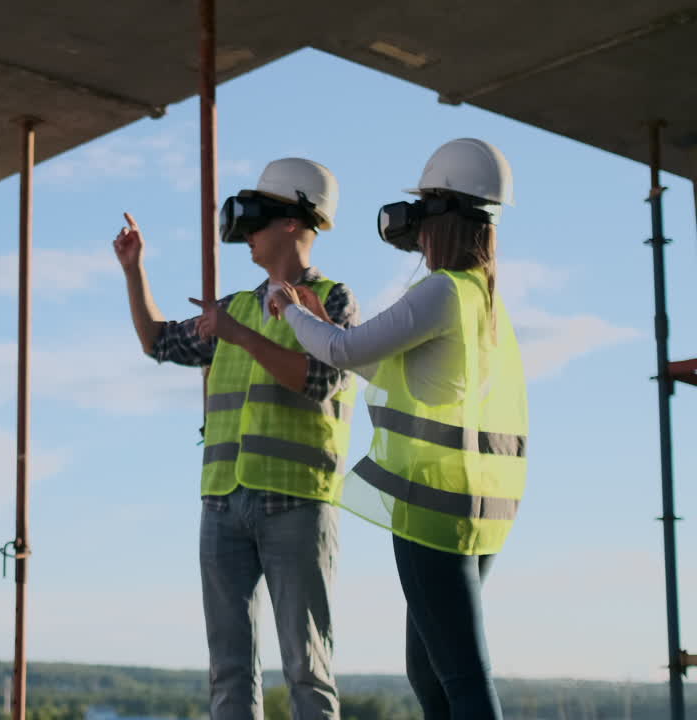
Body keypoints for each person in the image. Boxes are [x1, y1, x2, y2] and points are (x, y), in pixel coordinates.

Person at [268, 138, 528, 719]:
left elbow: (340, 348)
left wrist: (291, 310)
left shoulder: (441, 290)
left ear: (441, 216)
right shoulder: (481, 298)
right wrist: (313, 315)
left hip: (430, 506)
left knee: (459, 674)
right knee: (432, 671)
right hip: (476, 506)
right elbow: (380, 362)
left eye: (424, 205)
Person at [115, 158, 360, 720]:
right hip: (223, 502)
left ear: (295, 222)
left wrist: (238, 336)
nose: (247, 234)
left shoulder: (333, 299)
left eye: (259, 221)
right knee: (228, 671)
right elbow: (158, 342)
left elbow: (319, 379)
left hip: (295, 501)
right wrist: (134, 271)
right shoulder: (237, 306)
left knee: (306, 669)